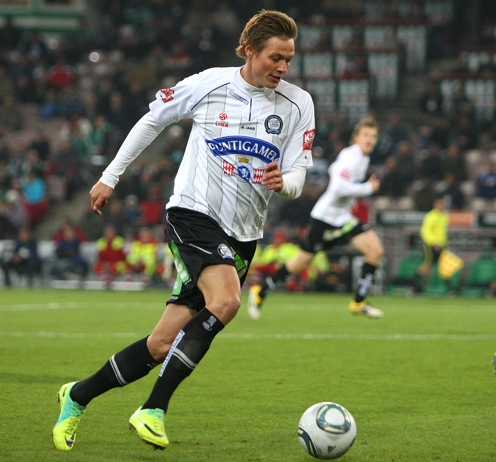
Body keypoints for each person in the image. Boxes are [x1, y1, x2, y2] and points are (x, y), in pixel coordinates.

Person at [51, 10, 315, 452]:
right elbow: (152, 120)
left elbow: (298, 174)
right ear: (249, 50)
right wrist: (110, 177)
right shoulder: (208, 84)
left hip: (244, 235)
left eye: (289, 59)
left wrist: (282, 183)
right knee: (227, 301)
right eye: (275, 57)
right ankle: (153, 408)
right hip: (192, 213)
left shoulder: (298, 103)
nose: (283, 67)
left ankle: (76, 396)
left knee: (160, 344)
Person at [248, 117, 384, 320]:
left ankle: (358, 302)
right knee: (299, 264)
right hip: (325, 219)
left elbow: (339, 180)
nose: (370, 140)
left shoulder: (362, 158)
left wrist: (352, 200)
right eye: (365, 135)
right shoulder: (351, 157)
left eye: (373, 136)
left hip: (342, 218)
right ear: (355, 137)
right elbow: (338, 187)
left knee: (375, 251)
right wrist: (367, 188)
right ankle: (260, 291)